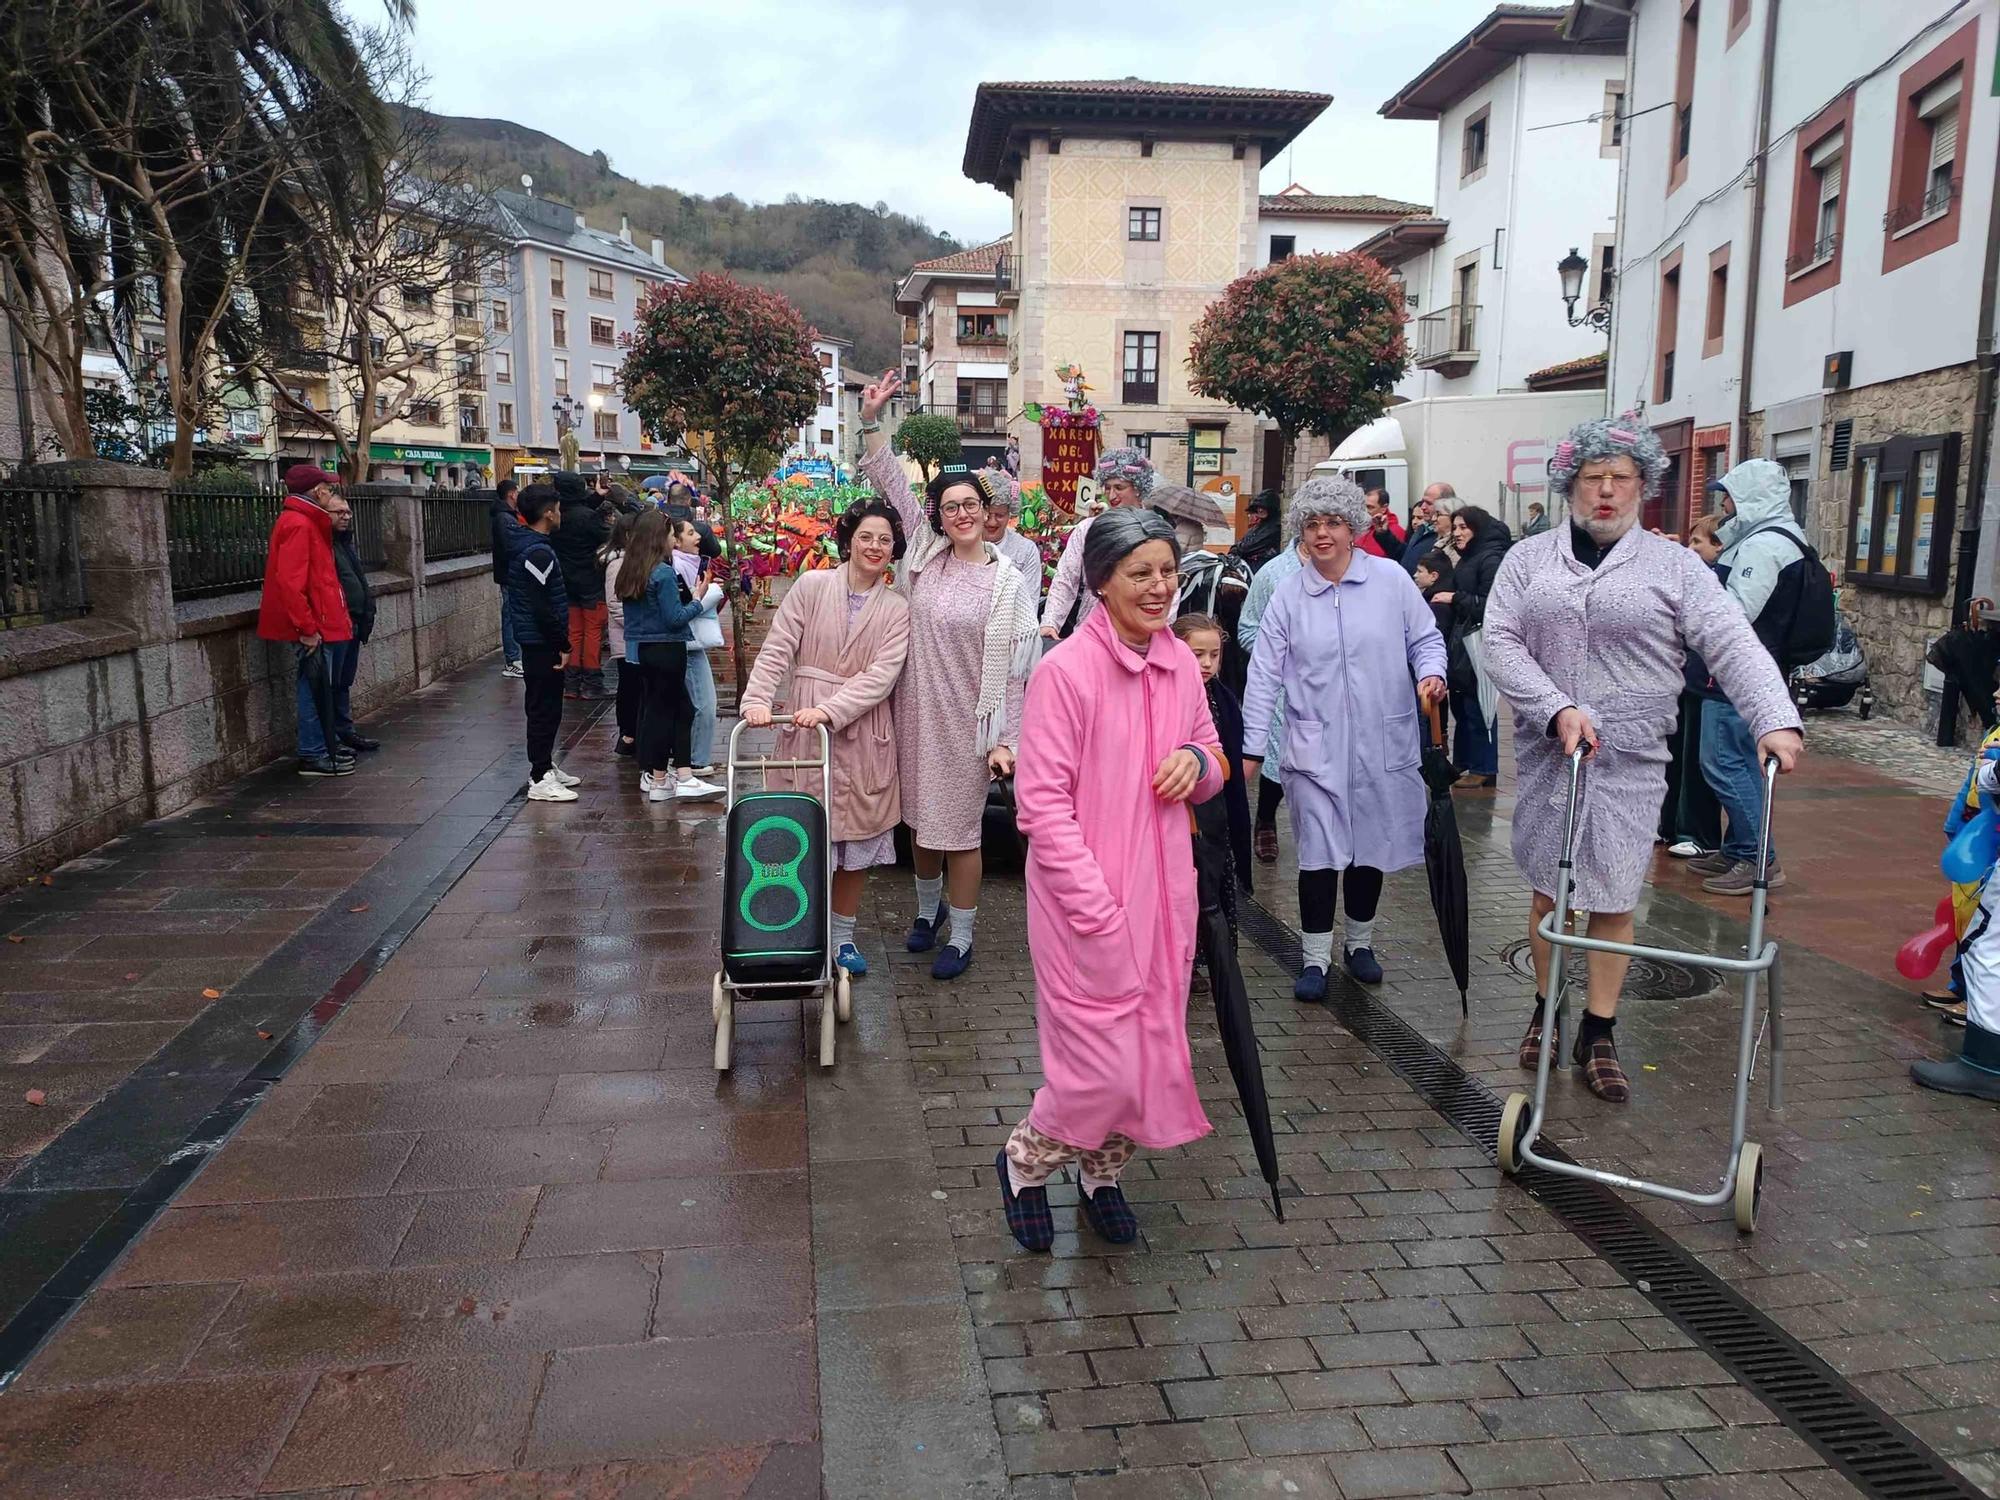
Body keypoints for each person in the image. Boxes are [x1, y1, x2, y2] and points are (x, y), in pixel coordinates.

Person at [1483, 416, 1803, 1104]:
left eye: (1620, 478)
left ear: (1642, 487)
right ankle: (1548, 1004)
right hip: (1551, 752)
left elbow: (1732, 643)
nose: (1605, 491)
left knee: (1614, 894)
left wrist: (1774, 719)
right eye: (1593, 478)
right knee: (1550, 888)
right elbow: (1500, 641)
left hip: (1631, 757)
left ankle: (1599, 1028)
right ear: (1570, 484)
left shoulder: (1675, 567)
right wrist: (1554, 707)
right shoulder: (1528, 560)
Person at [998, 508, 1226, 1251]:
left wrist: (1197, 763)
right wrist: (1096, 906)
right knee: (1097, 1069)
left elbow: (1214, 758)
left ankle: (1103, 1176)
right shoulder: (1065, 672)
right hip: (1084, 908)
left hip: (1165, 902)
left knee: (1152, 1054)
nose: (1160, 588)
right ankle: (1025, 1164)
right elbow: (1041, 806)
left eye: (1167, 571)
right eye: (1141, 573)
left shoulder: (1180, 663)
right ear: (1101, 583)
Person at [858, 370, 1040, 981]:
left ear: (989, 514)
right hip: (914, 714)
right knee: (920, 827)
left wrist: (1005, 740)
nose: (961, 513)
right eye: (950, 505)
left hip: (971, 723)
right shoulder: (923, 558)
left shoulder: (1009, 585)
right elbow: (893, 488)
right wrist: (871, 421)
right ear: (939, 514)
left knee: (961, 833)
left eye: (972, 505)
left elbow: (1016, 673)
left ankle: (960, 937)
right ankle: (926, 911)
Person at [1241, 475, 1447, 996]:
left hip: (1382, 742)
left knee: (1368, 848)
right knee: (1318, 852)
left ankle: (1359, 944)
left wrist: (1432, 673)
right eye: (1312, 524)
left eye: (1332, 522)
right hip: (1313, 746)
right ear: (1301, 533)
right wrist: (1251, 745)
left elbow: (1425, 638)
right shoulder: (1289, 593)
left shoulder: (1390, 581)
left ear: (1354, 526)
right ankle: (1314, 959)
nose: (1322, 534)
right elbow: (1263, 673)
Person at [742, 498, 913, 976]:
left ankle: (843, 937)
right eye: (866, 537)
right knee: (803, 833)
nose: (875, 547)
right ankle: (799, 926)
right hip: (803, 727)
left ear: (893, 547)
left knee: (854, 842)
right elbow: (778, 646)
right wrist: (757, 699)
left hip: (861, 731)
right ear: (849, 540)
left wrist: (830, 710)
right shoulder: (812, 586)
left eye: (884, 539)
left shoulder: (897, 608)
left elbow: (883, 675)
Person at [1693, 459, 1811, 895]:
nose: (1724, 505)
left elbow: (1734, 613)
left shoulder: (1762, 547)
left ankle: (1759, 857)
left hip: (1735, 676)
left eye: (1729, 495)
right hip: (1745, 671)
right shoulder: (1773, 539)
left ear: (1749, 498)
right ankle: (1741, 846)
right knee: (1737, 762)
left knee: (1724, 764)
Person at [617, 511, 725, 804]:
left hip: (645, 649)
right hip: (668, 648)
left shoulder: (632, 569)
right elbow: (675, 618)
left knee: (659, 711)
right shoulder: (662, 572)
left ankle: (662, 778)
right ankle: (677, 777)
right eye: (669, 535)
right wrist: (699, 598)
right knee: (677, 712)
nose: (672, 541)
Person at [257, 464, 355, 778]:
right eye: (327, 487)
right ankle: (313, 753)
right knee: (313, 689)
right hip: (314, 625)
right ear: (317, 492)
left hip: (321, 620)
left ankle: (323, 746)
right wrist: (307, 628)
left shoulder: (307, 522)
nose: (330, 492)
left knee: (320, 688)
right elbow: (291, 582)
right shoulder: (300, 524)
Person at [1236, 508, 1308, 864]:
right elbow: (1247, 628)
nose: (1323, 533)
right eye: (1314, 524)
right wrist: (1279, 652)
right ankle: (1265, 820)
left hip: (1333, 689)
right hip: (1282, 685)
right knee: (1278, 756)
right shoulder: (1274, 574)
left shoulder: (1353, 571)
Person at [503, 486, 579, 803]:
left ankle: (546, 765)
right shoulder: (537, 552)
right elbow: (542, 605)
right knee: (542, 708)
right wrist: (561, 642)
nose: (560, 514)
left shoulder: (536, 547)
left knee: (549, 707)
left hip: (539, 640)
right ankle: (539, 775)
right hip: (540, 643)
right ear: (548, 512)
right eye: (558, 509)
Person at [1175, 612, 1253, 902]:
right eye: (1197, 655)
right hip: (1183, 810)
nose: (1207, 663)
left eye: (1214, 655)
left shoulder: (1225, 700)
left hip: (1217, 811)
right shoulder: (1172, 693)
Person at [1660, 516, 1726, 858]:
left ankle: (1697, 834)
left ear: (1719, 546)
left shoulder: (1717, 582)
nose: (1691, 548)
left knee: (1698, 763)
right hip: (1687, 677)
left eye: (1697, 543)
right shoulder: (1693, 577)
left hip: (1705, 680)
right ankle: (1669, 825)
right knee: (1676, 756)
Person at [1040, 446, 1155, 639]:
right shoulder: (1087, 529)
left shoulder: (1154, 530)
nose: (1111, 496)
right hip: (1090, 636)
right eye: (1107, 488)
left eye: (1119, 487)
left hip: (1138, 639)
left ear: (1137, 488)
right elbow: (1066, 579)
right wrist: (1051, 622)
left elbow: (1167, 589)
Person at [1434, 504, 1512, 789]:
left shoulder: (1490, 558)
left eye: (1463, 527)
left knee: (1481, 708)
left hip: (1481, 642)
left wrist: (1455, 599)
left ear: (1477, 528)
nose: (1457, 533)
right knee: (1463, 706)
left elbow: (1490, 605)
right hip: (1463, 642)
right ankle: (1465, 762)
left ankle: (1484, 767)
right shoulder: (1469, 557)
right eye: (1455, 527)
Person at [325, 495, 379, 755]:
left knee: (344, 681)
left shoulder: (345, 543)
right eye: (339, 512)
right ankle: (332, 736)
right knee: (331, 683)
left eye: (348, 512)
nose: (346, 516)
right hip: (337, 624)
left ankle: (345, 731)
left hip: (354, 623)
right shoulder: (325, 544)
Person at [551, 471, 612, 700]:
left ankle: (572, 682)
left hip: (566, 581)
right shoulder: (588, 517)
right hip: (591, 580)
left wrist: (596, 497)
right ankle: (592, 682)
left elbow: (575, 509)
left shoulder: (556, 515)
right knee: (593, 632)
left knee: (574, 632)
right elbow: (607, 536)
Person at [674, 520, 721, 774]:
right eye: (691, 533)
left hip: (690, 642)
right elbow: (683, 609)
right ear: (676, 541)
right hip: (688, 642)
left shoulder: (687, 563)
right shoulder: (679, 566)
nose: (699, 537)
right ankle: (696, 759)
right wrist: (703, 594)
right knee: (704, 703)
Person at [601, 514, 637, 758]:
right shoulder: (617, 565)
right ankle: (627, 735)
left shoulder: (632, 562)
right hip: (626, 638)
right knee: (629, 687)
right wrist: (639, 624)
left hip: (634, 637)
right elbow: (614, 605)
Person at [490, 478, 524, 677]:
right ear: (511, 494)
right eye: (517, 492)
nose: (518, 495)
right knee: (510, 615)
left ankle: (515, 657)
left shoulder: (507, 515)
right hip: (509, 574)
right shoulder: (504, 518)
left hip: (509, 573)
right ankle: (512, 660)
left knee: (513, 614)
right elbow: (510, 545)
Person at [982, 481, 1044, 587]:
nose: (992, 522)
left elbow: (1029, 600)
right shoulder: (963, 545)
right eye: (987, 515)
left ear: (1009, 515)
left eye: (999, 515)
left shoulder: (1026, 550)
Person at [1231, 490, 1284, 575]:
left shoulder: (1275, 527)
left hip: (1263, 571)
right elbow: (1240, 546)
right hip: (1251, 569)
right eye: (1258, 507)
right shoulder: (1258, 526)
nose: (1260, 510)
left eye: (1263, 507)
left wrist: (1239, 548)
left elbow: (1246, 548)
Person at [1357, 486, 1406, 561]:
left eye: (1370, 507)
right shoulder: (1362, 527)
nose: (1365, 511)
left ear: (1384, 508)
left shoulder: (1396, 531)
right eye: (1363, 507)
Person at [1401, 491, 1440, 578]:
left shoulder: (1440, 536)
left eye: (1429, 503)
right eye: (1413, 517)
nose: (1423, 507)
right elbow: (1405, 555)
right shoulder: (1421, 530)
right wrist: (1384, 534)